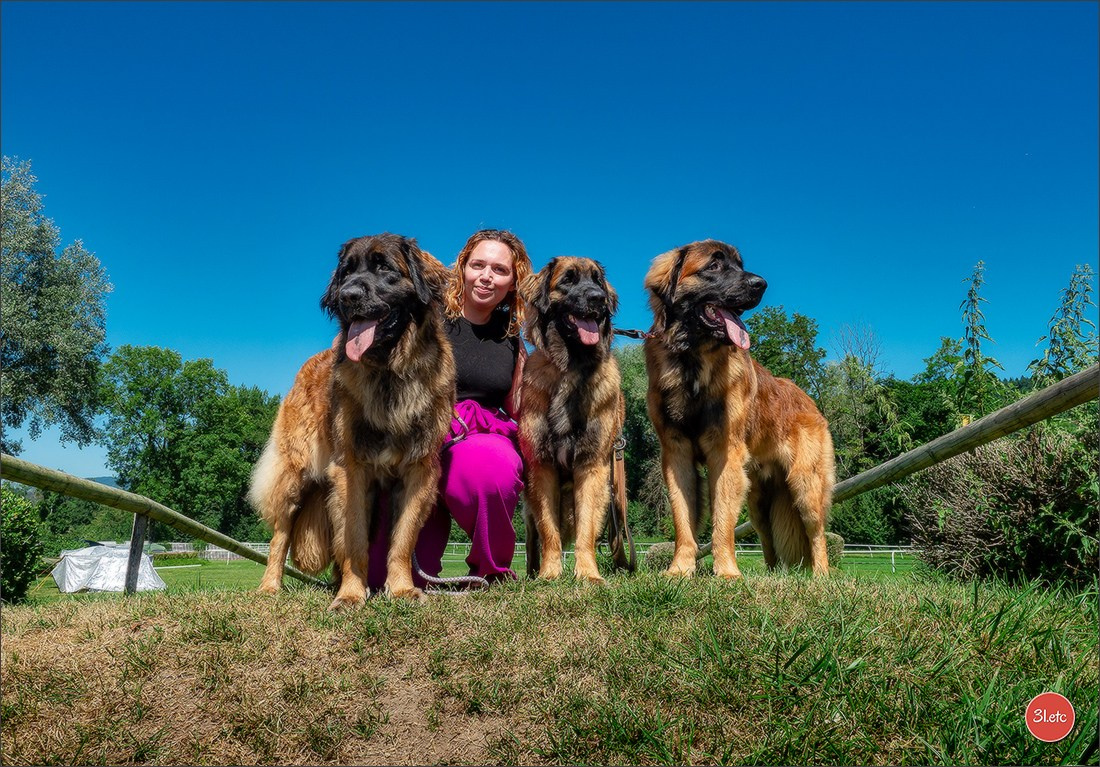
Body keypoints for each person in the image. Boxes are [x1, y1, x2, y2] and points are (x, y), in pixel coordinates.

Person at [366, 229, 533, 590]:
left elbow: (517, 408)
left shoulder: (513, 339)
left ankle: (488, 573)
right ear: (463, 268)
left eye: (500, 270)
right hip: (415, 434)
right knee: (384, 580)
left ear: (513, 282)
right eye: (478, 265)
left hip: (476, 437)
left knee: (491, 469)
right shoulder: (427, 313)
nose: (487, 276)